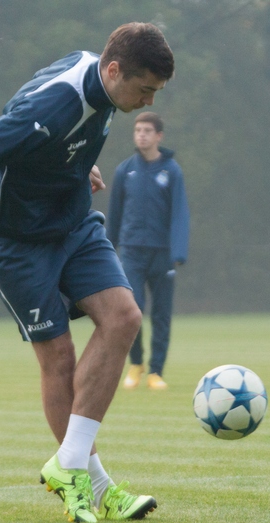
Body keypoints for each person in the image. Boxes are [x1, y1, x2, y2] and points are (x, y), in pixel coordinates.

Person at [0, 22, 174, 523]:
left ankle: (70, 466)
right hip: (14, 240)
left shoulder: (101, 80)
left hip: (72, 223)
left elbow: (59, 131)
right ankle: (94, 486)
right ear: (114, 69)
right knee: (58, 357)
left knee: (123, 317)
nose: (148, 101)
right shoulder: (52, 108)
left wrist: (72, 166)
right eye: (145, 89)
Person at [107, 112, 189, 390]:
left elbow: (180, 213)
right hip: (131, 252)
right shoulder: (125, 170)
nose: (141, 135)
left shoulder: (171, 171)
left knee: (162, 315)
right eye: (138, 130)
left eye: (147, 131)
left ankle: (156, 371)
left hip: (162, 254)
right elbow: (114, 214)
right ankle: (136, 363)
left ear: (158, 136)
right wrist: (107, 249)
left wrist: (178, 251)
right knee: (132, 311)